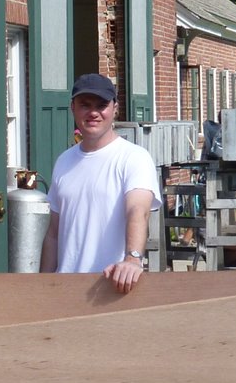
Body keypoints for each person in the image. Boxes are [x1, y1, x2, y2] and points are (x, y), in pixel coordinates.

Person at [41, 73, 159, 295]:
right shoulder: (64, 161)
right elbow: (53, 234)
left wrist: (132, 259)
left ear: (115, 108)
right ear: (72, 108)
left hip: (111, 288)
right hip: (65, 290)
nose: (93, 112)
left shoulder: (134, 157)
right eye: (85, 105)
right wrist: (43, 285)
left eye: (102, 105)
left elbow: (138, 210)